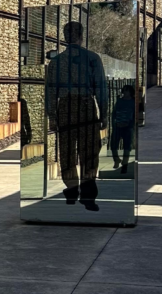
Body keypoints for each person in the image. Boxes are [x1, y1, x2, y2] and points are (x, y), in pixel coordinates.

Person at [45, 20, 108, 210]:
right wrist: (104, 113)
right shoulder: (92, 58)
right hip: (86, 106)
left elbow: (50, 92)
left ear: (65, 37)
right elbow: (100, 88)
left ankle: (72, 190)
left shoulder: (56, 62)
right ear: (81, 36)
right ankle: (88, 195)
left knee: (67, 152)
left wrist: (52, 116)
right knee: (89, 151)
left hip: (65, 107)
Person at [110, 84, 135, 174]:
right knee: (113, 145)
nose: (124, 92)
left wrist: (131, 124)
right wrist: (114, 123)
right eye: (124, 90)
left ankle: (125, 164)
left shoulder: (133, 102)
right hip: (118, 125)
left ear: (130, 92)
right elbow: (114, 112)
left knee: (127, 147)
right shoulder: (119, 101)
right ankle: (116, 159)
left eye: (126, 90)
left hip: (127, 127)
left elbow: (134, 115)